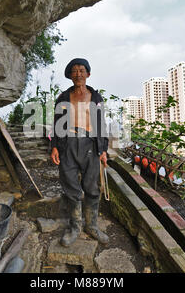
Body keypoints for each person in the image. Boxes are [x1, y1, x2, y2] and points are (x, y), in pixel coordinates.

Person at [50, 57, 109, 247]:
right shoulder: (64, 98)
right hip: (68, 144)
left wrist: (103, 150)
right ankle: (75, 227)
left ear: (88, 74)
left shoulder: (96, 98)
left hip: (90, 145)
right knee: (70, 187)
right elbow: (57, 124)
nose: (78, 74)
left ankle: (91, 226)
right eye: (74, 71)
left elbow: (101, 125)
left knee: (92, 187)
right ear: (70, 75)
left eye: (82, 70)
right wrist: (54, 147)